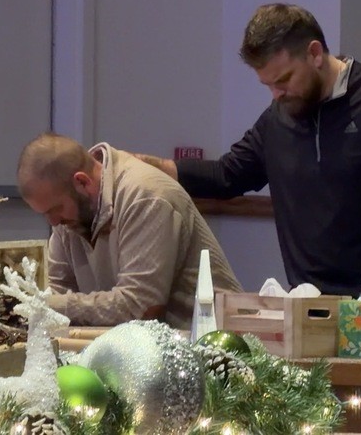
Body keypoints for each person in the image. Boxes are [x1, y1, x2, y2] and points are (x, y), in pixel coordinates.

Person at [136, 3, 361, 350]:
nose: (276, 94)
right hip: (309, 313)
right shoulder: (278, 120)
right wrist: (143, 165)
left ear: (314, 53)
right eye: (268, 85)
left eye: (283, 80)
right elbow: (226, 175)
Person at [17, 132, 242, 328]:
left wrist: (49, 305)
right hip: (138, 348)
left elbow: (140, 307)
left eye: (55, 209)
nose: (53, 222)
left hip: (213, 347)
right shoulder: (70, 209)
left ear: (82, 182)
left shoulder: (146, 196)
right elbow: (56, 291)